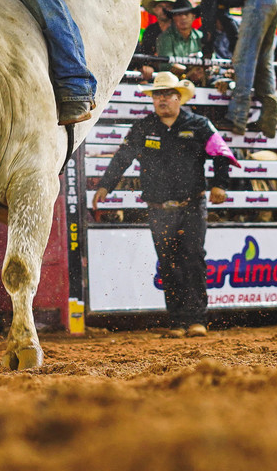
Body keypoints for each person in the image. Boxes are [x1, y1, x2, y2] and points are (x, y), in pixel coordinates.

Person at [91, 72, 235, 338]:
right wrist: (105, 185)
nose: (162, 100)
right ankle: (178, 321)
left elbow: (221, 154)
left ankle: (196, 319)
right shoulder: (144, 127)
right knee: (168, 263)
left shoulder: (199, 125)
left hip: (191, 205)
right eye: (157, 95)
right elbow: (123, 157)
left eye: (167, 94)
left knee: (193, 259)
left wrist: (220, 184)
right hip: (158, 208)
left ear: (179, 98)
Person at [167, 0, 277, 137]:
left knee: (244, 60)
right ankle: (269, 116)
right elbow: (226, 21)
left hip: (257, 0)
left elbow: (209, 15)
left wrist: (208, 50)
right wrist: (230, 47)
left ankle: (237, 117)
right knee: (263, 60)